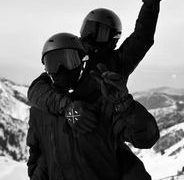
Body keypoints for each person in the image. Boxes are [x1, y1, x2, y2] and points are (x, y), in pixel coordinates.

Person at [28, 0, 170, 116]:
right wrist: (69, 110)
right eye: (88, 29)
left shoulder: (118, 62)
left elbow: (142, 36)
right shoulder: (71, 55)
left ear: (113, 39)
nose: (89, 37)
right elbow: (36, 90)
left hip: (105, 131)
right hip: (71, 129)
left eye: (99, 32)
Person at [27, 32, 160, 180]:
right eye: (53, 64)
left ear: (83, 62)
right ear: (45, 69)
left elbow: (147, 138)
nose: (61, 69)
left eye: (68, 61)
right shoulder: (40, 111)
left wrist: (125, 104)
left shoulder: (101, 101)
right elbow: (38, 153)